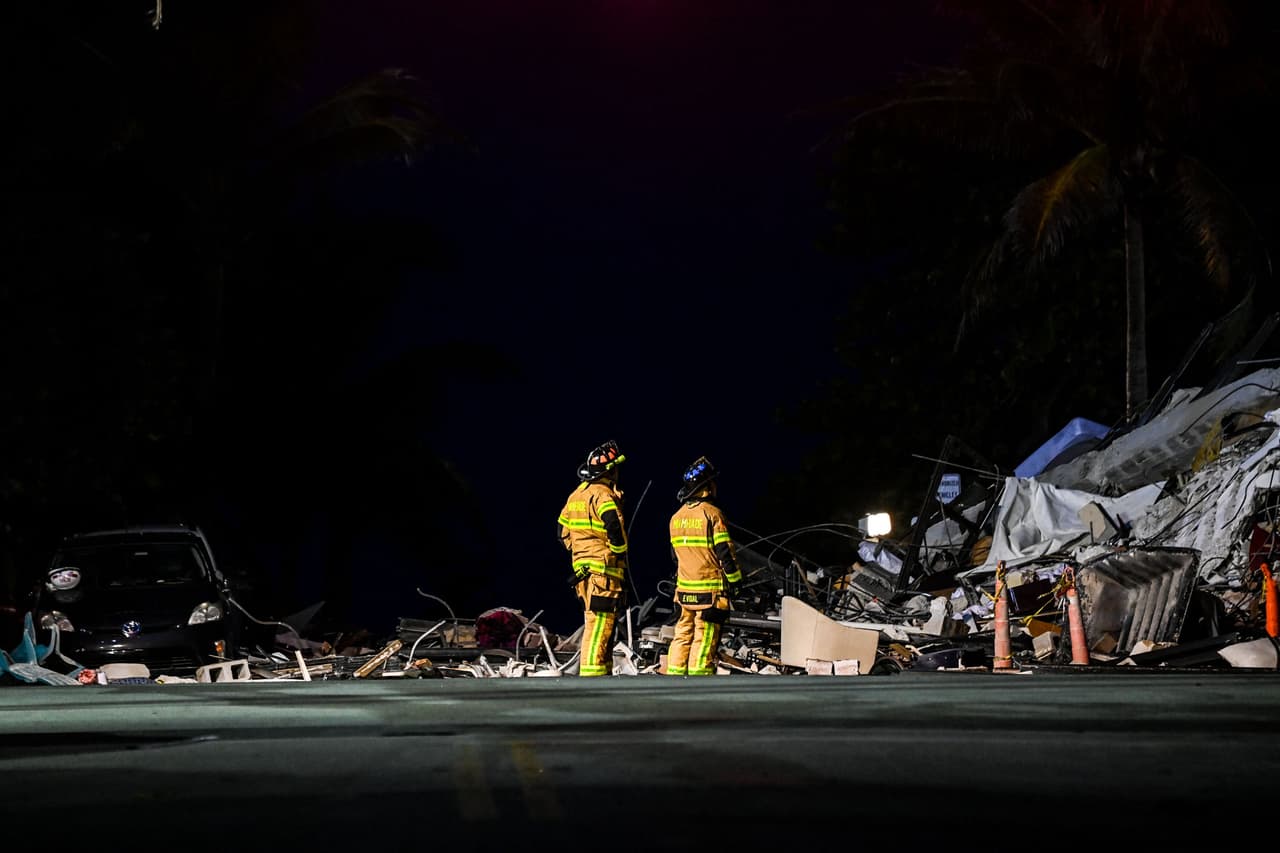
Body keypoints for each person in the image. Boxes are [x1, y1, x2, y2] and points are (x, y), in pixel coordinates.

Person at [557, 440, 629, 676]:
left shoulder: (575, 495)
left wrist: (580, 553)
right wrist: (615, 555)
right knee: (601, 625)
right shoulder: (604, 496)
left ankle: (601, 673)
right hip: (603, 572)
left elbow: (562, 532)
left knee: (593, 622)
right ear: (610, 470)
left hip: (583, 572)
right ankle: (593, 675)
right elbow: (614, 531)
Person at [665, 456, 743, 676]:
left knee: (682, 633)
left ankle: (674, 676)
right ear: (706, 486)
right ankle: (699, 680)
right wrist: (736, 582)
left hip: (684, 590)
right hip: (709, 592)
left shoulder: (676, 518)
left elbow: (675, 556)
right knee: (704, 635)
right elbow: (725, 554)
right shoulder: (712, 514)